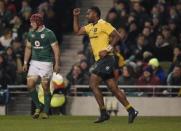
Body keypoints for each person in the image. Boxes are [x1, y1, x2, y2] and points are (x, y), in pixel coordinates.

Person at [73, 6, 138, 123]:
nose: (87, 15)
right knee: (113, 88)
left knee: (93, 84)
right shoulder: (89, 27)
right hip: (100, 60)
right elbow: (77, 31)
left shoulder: (103, 24)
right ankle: (131, 110)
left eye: (89, 13)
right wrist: (76, 17)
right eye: (86, 13)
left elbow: (118, 35)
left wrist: (107, 49)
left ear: (96, 14)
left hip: (107, 58)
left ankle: (103, 113)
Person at [22, 13, 61, 119]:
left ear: (38, 23)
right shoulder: (31, 33)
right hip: (34, 63)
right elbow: (28, 48)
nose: (31, 24)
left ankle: (46, 111)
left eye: (33, 22)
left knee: (45, 86)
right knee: (30, 85)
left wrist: (57, 63)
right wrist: (25, 62)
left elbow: (56, 49)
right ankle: (38, 107)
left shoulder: (49, 33)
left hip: (46, 63)